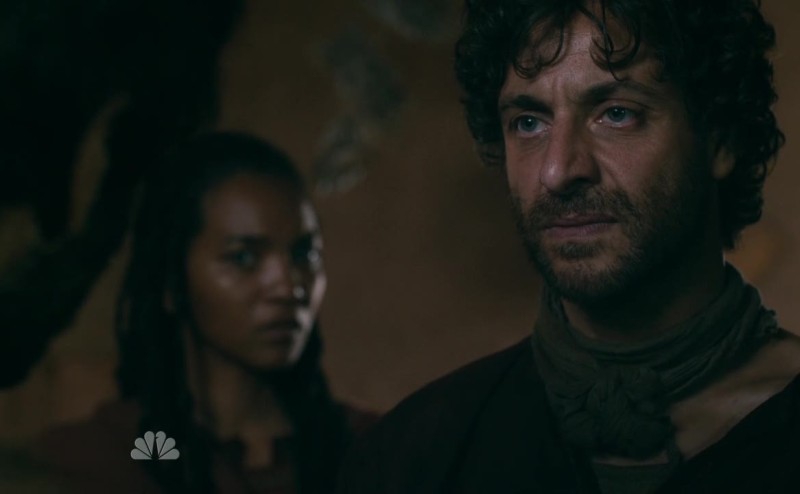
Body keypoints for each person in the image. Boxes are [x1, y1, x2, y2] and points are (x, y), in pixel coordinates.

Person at [336, 1, 800, 492]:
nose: (557, 171)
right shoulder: (413, 455)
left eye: (616, 114)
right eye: (528, 122)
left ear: (720, 140)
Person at [38, 132, 374, 493]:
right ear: (170, 279)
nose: (288, 287)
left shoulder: (377, 451)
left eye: (305, 254)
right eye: (243, 257)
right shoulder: (97, 457)